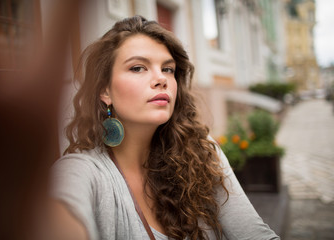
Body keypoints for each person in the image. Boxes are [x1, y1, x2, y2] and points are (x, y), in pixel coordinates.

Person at [51, 15, 279, 240]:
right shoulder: (82, 171)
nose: (161, 79)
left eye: (168, 69)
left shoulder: (202, 152)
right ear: (105, 91)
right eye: (138, 68)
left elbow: (255, 234)